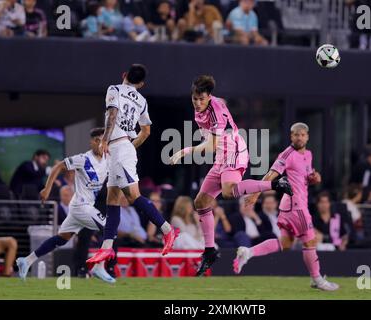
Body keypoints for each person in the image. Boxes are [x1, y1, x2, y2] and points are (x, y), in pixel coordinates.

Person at [169, 75, 293, 276]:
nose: (198, 102)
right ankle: (209, 251)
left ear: (209, 96)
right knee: (200, 202)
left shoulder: (215, 110)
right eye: (195, 99)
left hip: (234, 149)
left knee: (228, 192)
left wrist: (184, 151)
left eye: (202, 99)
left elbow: (209, 145)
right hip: (221, 154)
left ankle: (276, 184)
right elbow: (211, 144)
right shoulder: (200, 109)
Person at [85, 64, 179, 270]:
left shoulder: (114, 89)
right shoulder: (142, 101)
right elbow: (146, 131)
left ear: (124, 75)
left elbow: (112, 115)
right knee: (113, 198)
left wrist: (105, 140)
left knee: (133, 196)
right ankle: (107, 246)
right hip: (123, 147)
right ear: (142, 84)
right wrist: (130, 146)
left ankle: (167, 229)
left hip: (117, 148)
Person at [232, 122, 339, 291]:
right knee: (310, 240)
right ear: (291, 136)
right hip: (296, 206)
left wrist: (314, 178)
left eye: (303, 134)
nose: (299, 137)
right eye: (296, 135)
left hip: (289, 206)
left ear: (307, 136)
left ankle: (248, 252)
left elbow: (306, 175)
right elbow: (271, 174)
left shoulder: (309, 154)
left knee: (285, 243)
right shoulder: (287, 154)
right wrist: (256, 193)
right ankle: (317, 279)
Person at [16, 128, 115, 283]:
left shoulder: (108, 159)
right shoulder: (83, 159)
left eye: (104, 141)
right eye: (98, 140)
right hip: (81, 206)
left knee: (62, 239)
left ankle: (26, 261)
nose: (102, 144)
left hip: (80, 206)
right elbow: (58, 167)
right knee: (110, 228)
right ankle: (99, 267)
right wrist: (47, 189)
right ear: (94, 142)